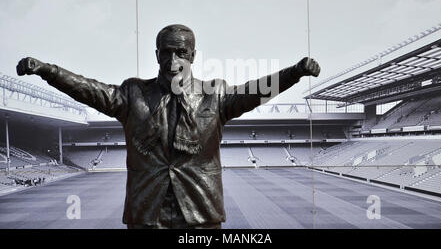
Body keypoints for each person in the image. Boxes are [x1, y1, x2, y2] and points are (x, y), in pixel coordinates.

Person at [16, 24, 320, 229]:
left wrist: (295, 72)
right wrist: (48, 71)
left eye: (182, 52)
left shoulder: (215, 95)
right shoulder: (132, 94)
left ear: (193, 56)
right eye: (166, 51)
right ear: (157, 54)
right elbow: (90, 89)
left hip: (201, 212)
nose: (173, 59)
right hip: (146, 215)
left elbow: (257, 90)